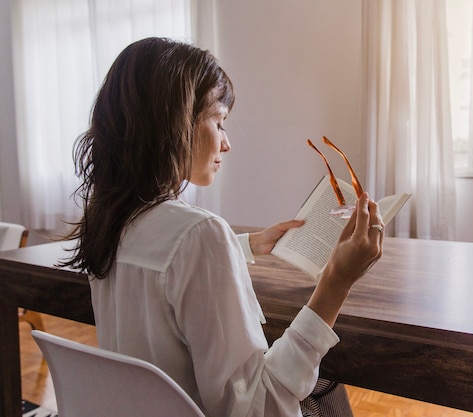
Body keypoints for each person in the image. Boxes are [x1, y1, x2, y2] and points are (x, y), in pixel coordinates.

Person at [61, 37, 384, 417]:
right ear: (176, 121)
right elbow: (258, 409)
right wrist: (337, 280)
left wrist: (242, 245)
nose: (227, 144)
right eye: (219, 122)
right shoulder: (199, 234)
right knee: (326, 383)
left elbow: (164, 265)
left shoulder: (109, 220)